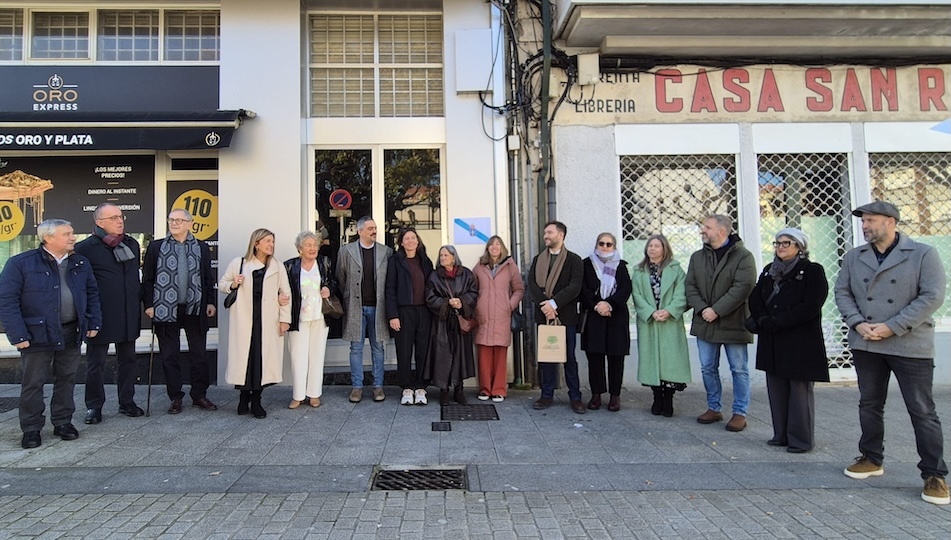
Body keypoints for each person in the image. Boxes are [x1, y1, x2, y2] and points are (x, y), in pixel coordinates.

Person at [834, 201, 948, 505]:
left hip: (910, 344)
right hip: (867, 341)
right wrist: (858, 323)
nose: (866, 226)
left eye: (871, 220)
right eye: (863, 221)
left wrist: (892, 326)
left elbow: (932, 296)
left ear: (891, 222)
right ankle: (871, 458)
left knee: (922, 410)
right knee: (869, 403)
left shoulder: (923, 253)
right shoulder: (854, 257)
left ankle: (934, 475)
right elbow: (842, 292)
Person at [0, 219, 101, 449]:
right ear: (48, 238)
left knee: (66, 379)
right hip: (36, 333)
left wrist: (93, 322)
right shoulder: (21, 263)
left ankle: (63, 422)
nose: (73, 237)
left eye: (72, 232)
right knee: (33, 383)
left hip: (71, 330)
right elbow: (7, 301)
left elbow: (92, 294)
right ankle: (31, 428)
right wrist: (17, 334)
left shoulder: (80, 263)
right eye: (67, 234)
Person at [748, 228, 829, 453]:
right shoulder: (768, 271)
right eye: (777, 243)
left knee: (799, 391)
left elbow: (811, 305)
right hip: (772, 339)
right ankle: (780, 434)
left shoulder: (812, 271)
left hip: (798, 340)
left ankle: (800, 439)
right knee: (776, 389)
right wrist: (764, 319)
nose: (781, 247)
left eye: (786, 243)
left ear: (800, 247)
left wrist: (780, 321)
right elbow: (756, 298)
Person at [142, 208, 218, 415]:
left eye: (178, 220)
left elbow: (207, 278)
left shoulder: (201, 247)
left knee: (199, 354)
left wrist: (210, 302)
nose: (174, 223)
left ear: (189, 223)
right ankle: (175, 397)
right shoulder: (157, 247)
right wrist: (149, 305)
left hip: (195, 306)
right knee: (169, 355)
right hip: (165, 308)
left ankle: (199, 394)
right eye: (171, 220)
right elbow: (147, 279)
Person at [685, 214, 756, 432]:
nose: (702, 230)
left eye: (707, 227)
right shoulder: (697, 257)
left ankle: (739, 412)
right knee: (708, 368)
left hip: (733, 323)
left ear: (721, 232)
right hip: (705, 322)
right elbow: (690, 286)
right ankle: (714, 407)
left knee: (739, 369)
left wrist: (717, 310)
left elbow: (742, 287)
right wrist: (703, 309)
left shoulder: (743, 257)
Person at [74, 203, 144, 424]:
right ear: (99, 222)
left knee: (129, 360)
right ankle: (94, 406)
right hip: (100, 315)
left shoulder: (131, 244)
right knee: (96, 364)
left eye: (120, 216)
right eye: (113, 217)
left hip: (128, 312)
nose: (119, 220)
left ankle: (127, 402)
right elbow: (81, 284)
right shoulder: (86, 248)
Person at [220, 229, 292, 419]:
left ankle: (257, 400)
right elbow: (222, 285)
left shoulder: (277, 266)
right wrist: (233, 283)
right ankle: (243, 398)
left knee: (261, 361)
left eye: (272, 242)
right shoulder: (239, 263)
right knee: (246, 360)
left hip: (267, 321)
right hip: (244, 321)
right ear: (256, 243)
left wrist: (285, 319)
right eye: (267, 241)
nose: (271, 245)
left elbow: (286, 294)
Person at [527, 221, 585, 413]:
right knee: (546, 356)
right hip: (544, 317)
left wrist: (554, 304)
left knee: (568, 357)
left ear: (561, 235)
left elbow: (574, 287)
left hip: (565, 317)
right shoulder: (538, 259)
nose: (546, 236)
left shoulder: (574, 260)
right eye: (545, 233)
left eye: (549, 232)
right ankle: (546, 395)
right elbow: (533, 284)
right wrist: (545, 305)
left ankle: (575, 397)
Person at [631, 234, 691, 417]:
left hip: (669, 322)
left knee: (670, 361)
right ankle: (657, 397)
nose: (652, 249)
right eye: (650, 245)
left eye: (657, 246)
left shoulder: (676, 270)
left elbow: (682, 294)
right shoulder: (639, 271)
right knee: (652, 361)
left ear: (664, 249)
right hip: (649, 321)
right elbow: (637, 295)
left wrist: (669, 311)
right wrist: (650, 312)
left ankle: (668, 399)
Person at [337, 216, 393, 403]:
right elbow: (340, 277)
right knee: (356, 348)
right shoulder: (346, 251)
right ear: (359, 231)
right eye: (370, 228)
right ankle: (357, 387)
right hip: (355, 307)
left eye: (375, 228)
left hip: (378, 307)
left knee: (378, 348)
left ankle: (378, 386)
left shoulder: (386, 252)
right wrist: (349, 297)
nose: (374, 231)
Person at [285, 230, 337, 409]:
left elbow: (334, 281)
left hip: (319, 317)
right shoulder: (290, 266)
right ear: (300, 248)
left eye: (315, 244)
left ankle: (314, 394)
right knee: (297, 357)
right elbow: (282, 289)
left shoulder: (324, 262)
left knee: (317, 356)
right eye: (308, 245)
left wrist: (329, 289)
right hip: (298, 318)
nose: (312, 248)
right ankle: (298, 395)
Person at [579, 233, 632, 412]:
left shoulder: (620, 266)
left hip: (615, 316)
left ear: (614, 247)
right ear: (596, 244)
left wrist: (609, 304)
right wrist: (597, 305)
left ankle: (615, 396)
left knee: (616, 358)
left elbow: (625, 289)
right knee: (595, 357)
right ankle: (596, 395)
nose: (605, 247)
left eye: (609, 244)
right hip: (594, 317)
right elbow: (583, 289)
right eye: (601, 243)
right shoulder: (586, 264)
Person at [423, 245, 479, 405]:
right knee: (443, 356)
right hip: (442, 322)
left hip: (460, 322)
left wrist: (462, 302)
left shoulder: (466, 274)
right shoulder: (434, 276)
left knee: (460, 355)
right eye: (441, 255)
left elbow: (474, 293)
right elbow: (429, 297)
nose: (443, 258)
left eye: (446, 255)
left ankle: (459, 390)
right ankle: (444, 390)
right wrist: (446, 303)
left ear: (454, 257)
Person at [385, 228, 434, 406]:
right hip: (403, 311)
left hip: (424, 311)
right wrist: (393, 315)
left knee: (423, 350)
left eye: (413, 238)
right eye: (407, 238)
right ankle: (406, 388)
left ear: (418, 241)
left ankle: (421, 387)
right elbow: (389, 289)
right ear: (402, 242)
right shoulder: (395, 261)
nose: (411, 241)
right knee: (404, 351)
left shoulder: (425, 261)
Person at [472, 236, 524, 403]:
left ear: (502, 248)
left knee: (500, 354)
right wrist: (477, 305)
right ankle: (485, 389)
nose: (494, 247)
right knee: (484, 355)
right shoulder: (479, 267)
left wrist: (509, 305)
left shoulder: (511, 267)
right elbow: (472, 289)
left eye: (498, 244)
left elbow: (519, 289)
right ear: (487, 248)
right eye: (491, 244)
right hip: (484, 316)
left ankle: (499, 389)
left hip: (502, 315)